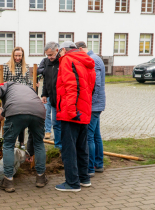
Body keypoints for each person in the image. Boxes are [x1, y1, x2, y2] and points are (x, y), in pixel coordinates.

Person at [54, 41, 96, 192]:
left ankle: (72, 183)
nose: (59, 55)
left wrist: (71, 111)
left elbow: (71, 86)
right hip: (84, 111)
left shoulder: (67, 60)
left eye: (59, 52)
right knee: (81, 146)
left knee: (69, 149)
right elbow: (91, 87)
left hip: (71, 112)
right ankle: (84, 178)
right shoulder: (86, 61)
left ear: (64, 50)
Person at [75, 41, 106, 177]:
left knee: (89, 136)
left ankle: (90, 167)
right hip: (96, 103)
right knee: (96, 135)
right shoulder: (95, 58)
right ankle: (98, 164)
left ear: (81, 49)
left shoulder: (93, 60)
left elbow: (96, 84)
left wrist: (89, 102)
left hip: (94, 104)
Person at [3, 47, 33, 148]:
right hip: (11, 96)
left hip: (22, 96)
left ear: (22, 56)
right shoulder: (6, 67)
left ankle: (21, 142)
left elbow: (28, 82)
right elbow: (3, 82)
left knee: (22, 119)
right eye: (16, 55)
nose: (17, 57)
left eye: (19, 55)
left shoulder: (26, 67)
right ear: (13, 55)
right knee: (11, 120)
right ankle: (10, 141)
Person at [40, 42, 62, 150]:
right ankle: (58, 146)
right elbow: (46, 80)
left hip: (62, 100)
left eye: (51, 55)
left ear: (57, 51)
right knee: (55, 124)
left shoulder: (62, 62)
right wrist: (44, 94)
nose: (49, 57)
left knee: (61, 124)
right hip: (52, 99)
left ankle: (63, 144)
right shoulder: (47, 63)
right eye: (47, 55)